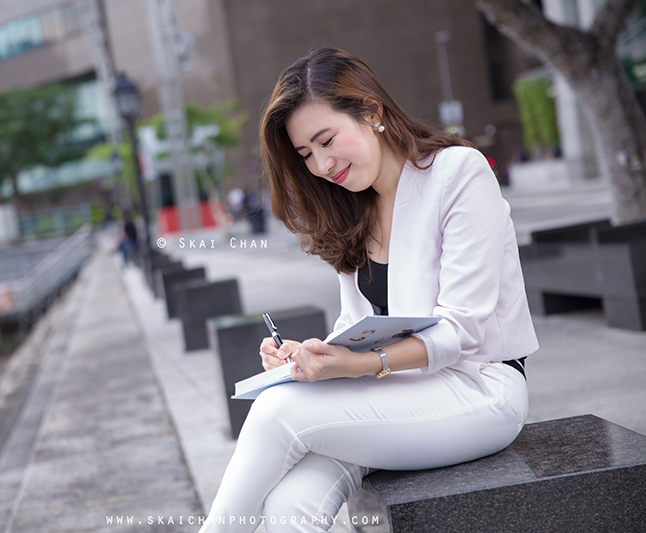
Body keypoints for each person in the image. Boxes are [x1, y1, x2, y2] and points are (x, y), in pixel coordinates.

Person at [199, 47, 539, 532]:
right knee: (288, 507)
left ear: (371, 110)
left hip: (479, 389)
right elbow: (358, 328)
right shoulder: (353, 207)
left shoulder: (458, 173)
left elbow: (461, 329)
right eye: (305, 154)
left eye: (326, 140)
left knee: (278, 411)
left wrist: (358, 364)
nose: (320, 164)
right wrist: (311, 356)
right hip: (393, 391)